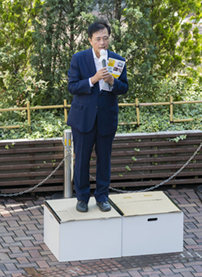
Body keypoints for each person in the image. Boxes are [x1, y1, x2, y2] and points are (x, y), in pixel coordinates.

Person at [67, 20, 129, 213]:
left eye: (105, 38)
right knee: (82, 160)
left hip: (106, 118)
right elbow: (72, 86)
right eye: (98, 39)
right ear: (90, 40)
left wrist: (112, 82)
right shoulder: (79, 58)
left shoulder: (117, 60)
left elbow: (124, 88)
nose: (102, 42)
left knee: (104, 160)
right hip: (83, 119)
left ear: (109, 38)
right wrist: (93, 79)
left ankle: (102, 197)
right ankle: (82, 198)